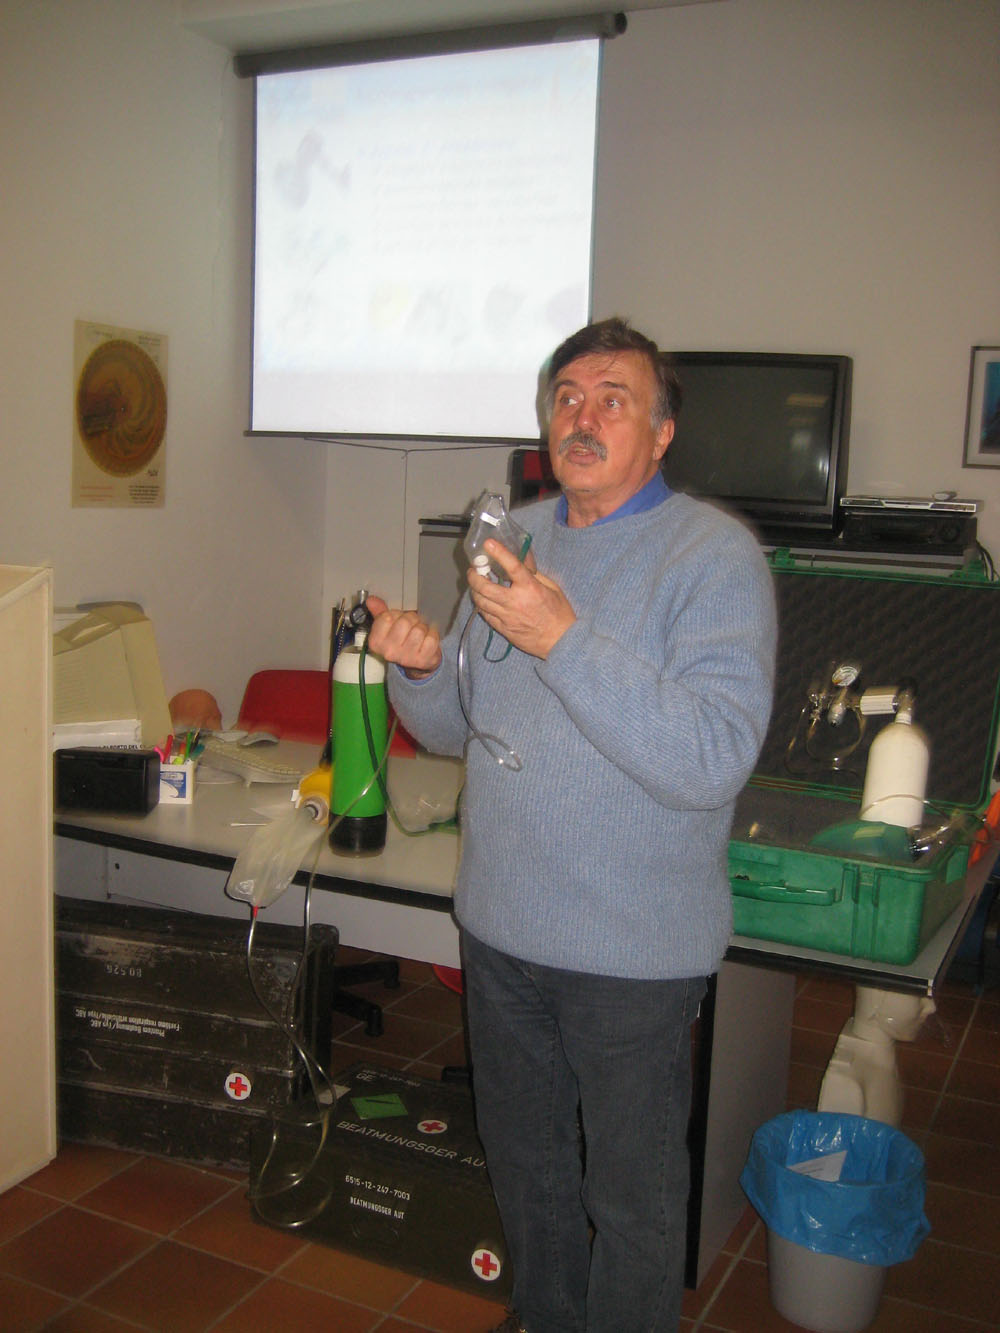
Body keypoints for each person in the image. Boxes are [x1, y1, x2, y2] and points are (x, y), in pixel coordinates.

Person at [367, 317, 777, 1333]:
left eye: (613, 399)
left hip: (631, 957)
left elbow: (712, 756)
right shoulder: (511, 541)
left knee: (631, 1203)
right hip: (501, 930)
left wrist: (564, 638)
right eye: (566, 397)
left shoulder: (714, 557)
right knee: (530, 1173)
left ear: (663, 431)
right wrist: (419, 669)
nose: (582, 417)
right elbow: (458, 723)